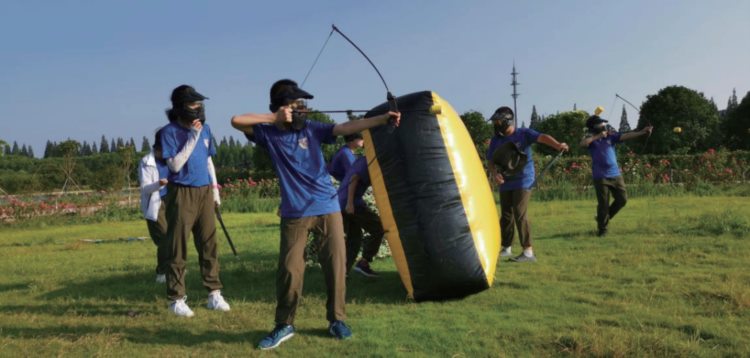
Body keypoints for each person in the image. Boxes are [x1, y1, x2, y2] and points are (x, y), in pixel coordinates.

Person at [230, 78, 400, 350]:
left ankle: (337, 320)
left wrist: (381, 119)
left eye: (303, 105)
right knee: (289, 268)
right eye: (297, 105)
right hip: (294, 212)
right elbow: (236, 120)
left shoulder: (312, 129)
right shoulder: (268, 133)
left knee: (335, 265)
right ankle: (284, 324)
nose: (303, 110)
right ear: (282, 107)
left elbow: (345, 127)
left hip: (327, 207)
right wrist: (274, 117)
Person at [160, 85, 229, 317]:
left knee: (209, 243)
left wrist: (215, 190)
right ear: (181, 107)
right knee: (178, 246)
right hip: (181, 193)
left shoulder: (206, 129)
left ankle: (214, 293)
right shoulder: (169, 132)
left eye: (199, 104)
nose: (198, 108)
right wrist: (192, 137)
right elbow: (175, 165)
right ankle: (176, 299)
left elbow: (209, 161)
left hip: (204, 192)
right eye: (193, 104)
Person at [486, 106, 568, 263]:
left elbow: (543, 137)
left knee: (519, 212)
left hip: (524, 179)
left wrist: (558, 145)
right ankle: (506, 248)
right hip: (506, 180)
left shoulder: (524, 134)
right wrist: (495, 173)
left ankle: (528, 252)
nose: (496, 124)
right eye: (495, 121)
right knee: (506, 215)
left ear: (507, 121)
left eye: (498, 121)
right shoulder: (496, 140)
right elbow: (490, 161)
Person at [579, 106, 653, 236]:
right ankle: (602, 230)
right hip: (600, 177)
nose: (604, 125)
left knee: (622, 199)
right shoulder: (591, 140)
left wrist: (642, 132)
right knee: (603, 204)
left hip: (615, 175)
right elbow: (582, 144)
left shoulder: (611, 137)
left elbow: (627, 135)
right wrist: (597, 137)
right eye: (602, 123)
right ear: (595, 126)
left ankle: (603, 218)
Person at [339, 156, 385, 277]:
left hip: (342, 202)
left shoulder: (362, 159)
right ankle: (364, 262)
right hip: (352, 204)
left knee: (354, 238)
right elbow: (354, 179)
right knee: (378, 228)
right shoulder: (368, 160)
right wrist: (350, 203)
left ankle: (342, 272)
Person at [138, 129, 170, 284]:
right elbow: (145, 188)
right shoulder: (146, 162)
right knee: (164, 238)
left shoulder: (170, 159)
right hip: (156, 204)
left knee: (176, 236)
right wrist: (159, 184)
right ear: (156, 149)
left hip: (173, 201)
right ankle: (161, 272)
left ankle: (175, 267)